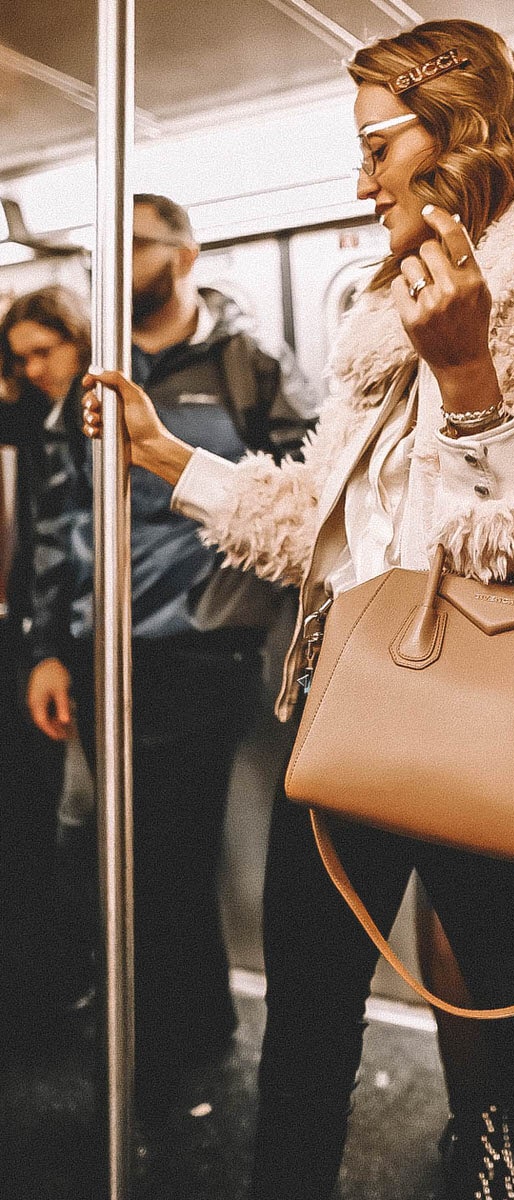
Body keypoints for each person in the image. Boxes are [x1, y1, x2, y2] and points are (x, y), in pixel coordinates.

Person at [79, 20, 514, 1199]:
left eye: (376, 144)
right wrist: (164, 458)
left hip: (506, 734)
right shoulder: (383, 308)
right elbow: (327, 524)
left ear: (455, 135)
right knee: (302, 1032)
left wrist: (470, 384)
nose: (359, 178)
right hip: (353, 713)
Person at [26, 195, 318, 1118]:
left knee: (169, 849)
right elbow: (60, 514)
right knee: (115, 845)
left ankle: (174, 1039)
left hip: (202, 643)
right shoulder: (99, 369)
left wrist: (256, 609)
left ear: (185, 253)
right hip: (99, 646)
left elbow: (305, 493)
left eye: (134, 243)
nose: (112, 259)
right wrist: (47, 646)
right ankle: (164, 1027)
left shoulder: (250, 361)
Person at [0, 285, 92, 1025]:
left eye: (42, 351)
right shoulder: (28, 412)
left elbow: (57, 541)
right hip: (32, 638)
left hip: (57, 639)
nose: (32, 370)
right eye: (18, 359)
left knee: (57, 814)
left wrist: (46, 644)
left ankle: (57, 974)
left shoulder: (67, 421)